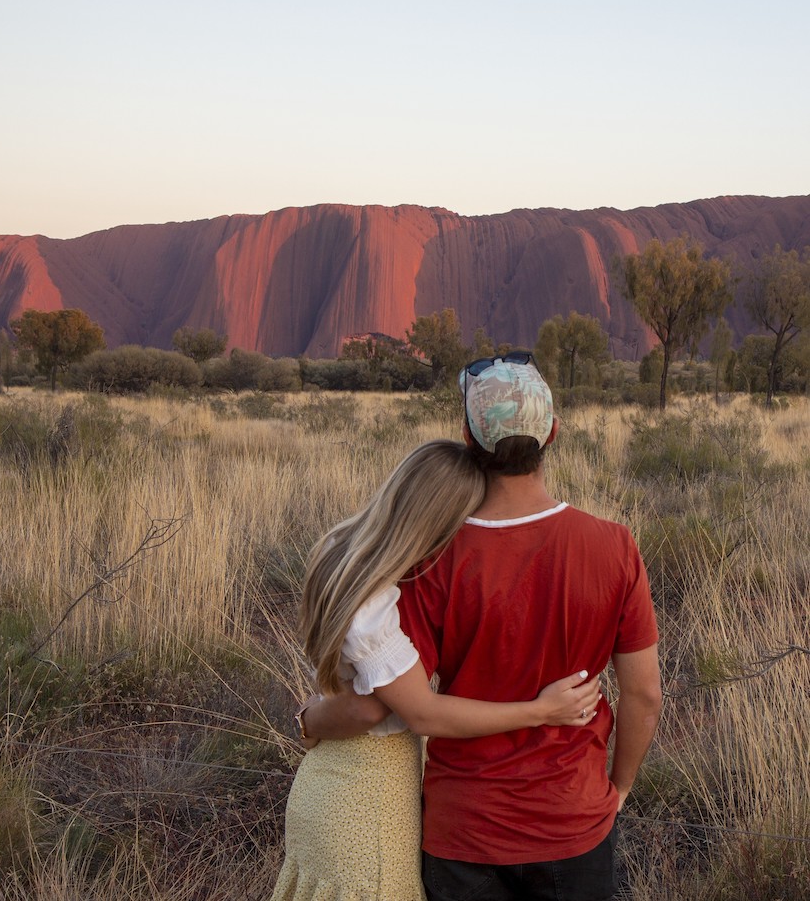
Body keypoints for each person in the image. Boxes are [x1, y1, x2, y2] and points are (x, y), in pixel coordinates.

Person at [299, 353, 662, 901]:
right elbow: (644, 696)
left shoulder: (429, 559)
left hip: (464, 831)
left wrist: (310, 718)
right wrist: (621, 788)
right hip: (573, 818)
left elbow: (392, 701)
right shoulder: (614, 547)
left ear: (468, 438)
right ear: (553, 433)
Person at [270, 438, 603, 901]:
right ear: (438, 520)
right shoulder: (376, 600)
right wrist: (540, 711)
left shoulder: (340, 552)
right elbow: (395, 712)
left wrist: (308, 719)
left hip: (326, 781)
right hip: (369, 800)